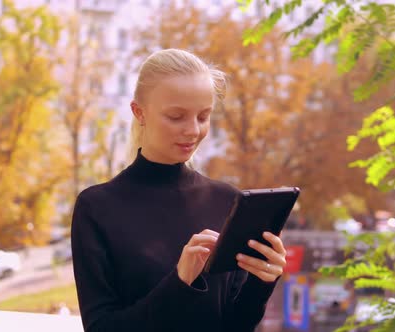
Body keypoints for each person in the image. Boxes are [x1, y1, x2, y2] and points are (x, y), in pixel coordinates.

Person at [71, 49, 288, 332]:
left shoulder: (227, 201)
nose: (192, 130)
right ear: (139, 112)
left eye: (203, 116)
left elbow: (235, 325)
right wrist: (180, 282)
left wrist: (263, 281)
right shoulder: (97, 208)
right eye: (176, 116)